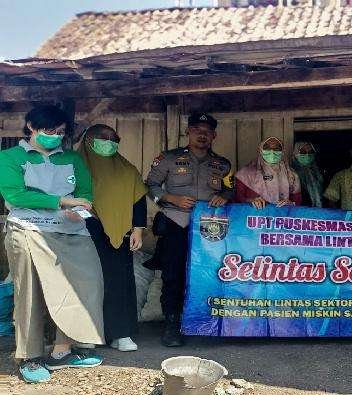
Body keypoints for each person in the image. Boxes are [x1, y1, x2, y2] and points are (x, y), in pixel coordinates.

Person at [0, 105, 104, 383]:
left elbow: (85, 192)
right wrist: (62, 201)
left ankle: (62, 351)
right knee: (30, 291)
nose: (55, 136)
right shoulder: (9, 157)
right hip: (28, 229)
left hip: (71, 229)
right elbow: (16, 195)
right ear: (31, 127)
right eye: (49, 131)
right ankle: (30, 357)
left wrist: (81, 206)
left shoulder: (72, 158)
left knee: (85, 284)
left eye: (60, 132)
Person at [145, 112, 233, 347]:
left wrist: (224, 197)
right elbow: (150, 184)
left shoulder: (223, 164)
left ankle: (204, 322)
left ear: (214, 135)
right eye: (197, 130)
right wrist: (171, 197)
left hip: (209, 230)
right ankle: (172, 325)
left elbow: (230, 189)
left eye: (207, 132)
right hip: (176, 223)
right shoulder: (169, 158)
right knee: (173, 275)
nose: (202, 135)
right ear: (188, 132)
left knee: (209, 274)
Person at [78, 124, 148, 352]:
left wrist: (138, 229)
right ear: (89, 140)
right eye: (103, 137)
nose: (109, 142)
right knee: (87, 282)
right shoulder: (75, 166)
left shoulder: (127, 169)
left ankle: (120, 333)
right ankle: (87, 332)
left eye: (113, 138)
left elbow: (138, 199)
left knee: (118, 282)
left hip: (119, 233)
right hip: (83, 230)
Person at [235, 136, 301, 209]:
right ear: (260, 150)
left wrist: (290, 203)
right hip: (254, 215)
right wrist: (251, 201)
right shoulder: (245, 173)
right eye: (267, 148)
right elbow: (237, 199)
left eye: (276, 149)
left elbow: (297, 201)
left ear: (282, 152)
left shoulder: (291, 175)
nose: (272, 151)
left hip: (282, 214)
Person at [290, 141, 324, 208]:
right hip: (299, 210)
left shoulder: (317, 172)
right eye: (303, 152)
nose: (307, 155)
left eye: (310, 152)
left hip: (317, 209)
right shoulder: (290, 172)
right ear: (295, 153)